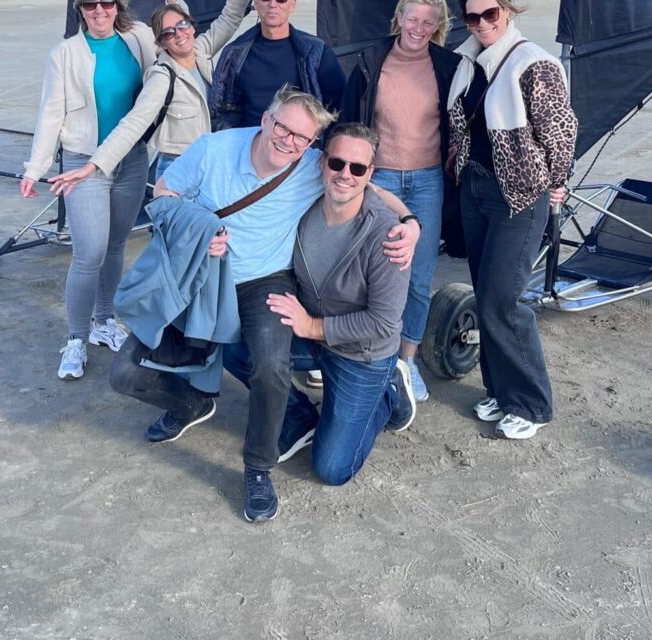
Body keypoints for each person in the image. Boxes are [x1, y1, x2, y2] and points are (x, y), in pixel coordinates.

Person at [109, 86, 421, 523]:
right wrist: (198, 228)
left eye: (302, 138)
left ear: (312, 145)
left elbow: (370, 187)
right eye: (283, 128)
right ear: (265, 119)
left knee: (271, 367)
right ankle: (191, 404)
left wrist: (410, 222)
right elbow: (162, 197)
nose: (289, 141)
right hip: (199, 274)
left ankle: (258, 468)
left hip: (264, 283)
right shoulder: (213, 150)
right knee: (125, 373)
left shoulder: (317, 165)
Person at [228, 122, 418, 488]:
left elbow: (383, 323)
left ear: (369, 174)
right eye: (337, 164)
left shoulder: (388, 235)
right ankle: (298, 416)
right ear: (321, 163)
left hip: (360, 354)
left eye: (357, 168)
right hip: (311, 335)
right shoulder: (305, 199)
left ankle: (389, 390)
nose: (345, 175)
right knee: (235, 342)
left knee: (332, 469)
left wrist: (312, 327)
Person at [20, 0, 183, 380]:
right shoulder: (65, 54)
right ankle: (76, 338)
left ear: (117, 6)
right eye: (90, 4)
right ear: (80, 9)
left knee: (114, 247)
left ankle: (104, 321)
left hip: (131, 160)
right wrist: (35, 167)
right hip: (82, 163)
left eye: (106, 3)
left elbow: (181, 36)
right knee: (88, 252)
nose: (99, 10)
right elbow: (50, 113)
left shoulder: (140, 38)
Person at [446, 0, 577, 440]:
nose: (481, 23)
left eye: (490, 14)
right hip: (476, 190)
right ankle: (500, 391)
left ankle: (532, 403)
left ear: (508, 12)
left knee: (504, 300)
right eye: (472, 16)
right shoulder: (469, 61)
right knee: (485, 296)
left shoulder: (533, 63)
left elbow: (560, 130)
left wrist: (558, 182)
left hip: (518, 196)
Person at [47, 0, 252, 187]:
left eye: (183, 26)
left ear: (192, 26)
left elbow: (230, 17)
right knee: (177, 226)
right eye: (168, 33)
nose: (178, 34)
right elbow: (134, 123)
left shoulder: (201, 51)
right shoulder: (162, 76)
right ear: (161, 42)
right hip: (178, 168)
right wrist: (93, 166)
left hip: (212, 163)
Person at [341, 0, 462, 403]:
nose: (419, 28)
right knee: (369, 270)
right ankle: (370, 353)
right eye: (413, 19)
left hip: (427, 181)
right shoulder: (371, 61)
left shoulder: (449, 66)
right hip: (379, 179)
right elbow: (349, 122)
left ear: (439, 27)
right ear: (398, 19)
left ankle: (405, 362)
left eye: (429, 22)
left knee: (418, 274)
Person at [208, 0, 345, 131]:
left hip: (298, 148)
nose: (273, 4)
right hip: (247, 147)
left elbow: (339, 105)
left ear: (292, 5)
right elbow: (219, 109)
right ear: (256, 3)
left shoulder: (317, 52)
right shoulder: (234, 53)